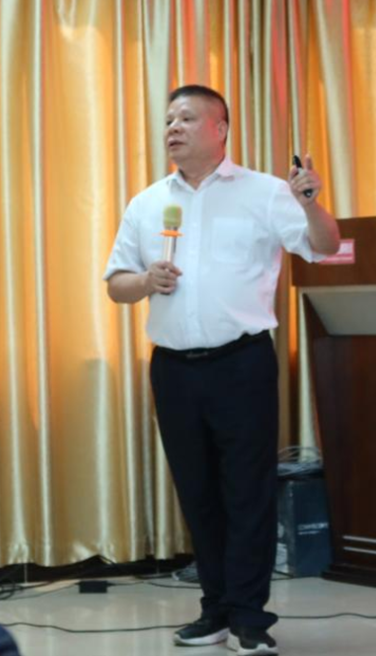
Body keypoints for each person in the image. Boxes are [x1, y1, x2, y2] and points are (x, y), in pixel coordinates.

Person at [104, 85, 340, 655]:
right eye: (168, 120)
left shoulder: (265, 192)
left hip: (241, 364)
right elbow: (116, 284)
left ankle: (250, 617)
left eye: (186, 118)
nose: (173, 128)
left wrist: (310, 202)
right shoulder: (147, 203)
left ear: (220, 128)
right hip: (174, 369)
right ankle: (214, 609)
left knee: (247, 492)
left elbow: (326, 246)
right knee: (198, 492)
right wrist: (146, 281)